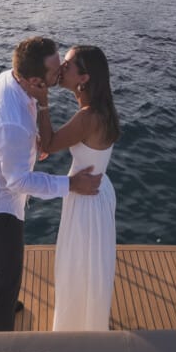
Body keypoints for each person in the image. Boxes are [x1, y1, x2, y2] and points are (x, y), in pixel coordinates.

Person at [0, 36, 102, 331]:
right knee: (6, 276)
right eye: (55, 71)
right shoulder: (11, 121)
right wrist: (70, 184)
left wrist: (33, 139)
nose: (61, 72)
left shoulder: (9, 79)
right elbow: (17, 181)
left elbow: (15, 142)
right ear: (34, 80)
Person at [40, 45, 121, 331]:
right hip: (99, 191)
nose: (62, 66)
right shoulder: (102, 110)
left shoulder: (88, 117)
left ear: (84, 78)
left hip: (85, 197)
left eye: (69, 63)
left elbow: (49, 143)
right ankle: (90, 323)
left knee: (76, 268)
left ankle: (75, 329)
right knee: (91, 268)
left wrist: (41, 100)